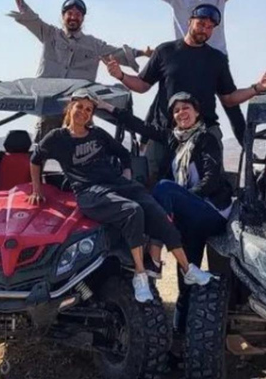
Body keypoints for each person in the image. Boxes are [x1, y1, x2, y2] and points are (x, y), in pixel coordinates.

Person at [28, 89, 213, 303]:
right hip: (90, 192)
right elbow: (35, 160)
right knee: (132, 211)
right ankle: (140, 275)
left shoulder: (97, 134)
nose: (84, 113)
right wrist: (37, 189)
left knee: (156, 211)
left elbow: (124, 154)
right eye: (80, 107)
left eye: (89, 110)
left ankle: (187, 268)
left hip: (117, 184)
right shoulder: (57, 138)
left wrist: (126, 174)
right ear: (71, 108)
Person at [113, 0, 266, 157]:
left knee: (229, 103)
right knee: (163, 98)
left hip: (214, 58)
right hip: (181, 56)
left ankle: (249, 154)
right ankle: (144, 148)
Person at [96, 92, 232, 332]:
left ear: (197, 112)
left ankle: (155, 259)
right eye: (177, 110)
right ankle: (181, 332)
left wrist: (186, 199)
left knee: (164, 189)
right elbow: (141, 126)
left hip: (210, 210)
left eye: (186, 108)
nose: (181, 113)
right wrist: (107, 107)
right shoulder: (173, 139)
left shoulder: (206, 139)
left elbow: (212, 178)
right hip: (189, 218)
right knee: (186, 275)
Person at [103, 4, 266, 179]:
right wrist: (121, 75)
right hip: (164, 132)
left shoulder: (217, 59)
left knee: (209, 184)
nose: (205, 30)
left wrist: (256, 88)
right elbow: (142, 85)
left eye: (210, 28)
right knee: (154, 184)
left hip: (204, 134)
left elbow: (229, 98)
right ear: (189, 22)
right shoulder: (165, 51)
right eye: (201, 24)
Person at [7, 0, 152, 141]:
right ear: (63, 16)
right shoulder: (50, 34)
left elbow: (118, 53)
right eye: (70, 13)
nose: (74, 16)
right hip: (49, 103)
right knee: (43, 147)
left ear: (83, 18)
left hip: (80, 107)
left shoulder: (94, 44)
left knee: (85, 148)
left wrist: (143, 53)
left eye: (78, 14)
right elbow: (30, 18)